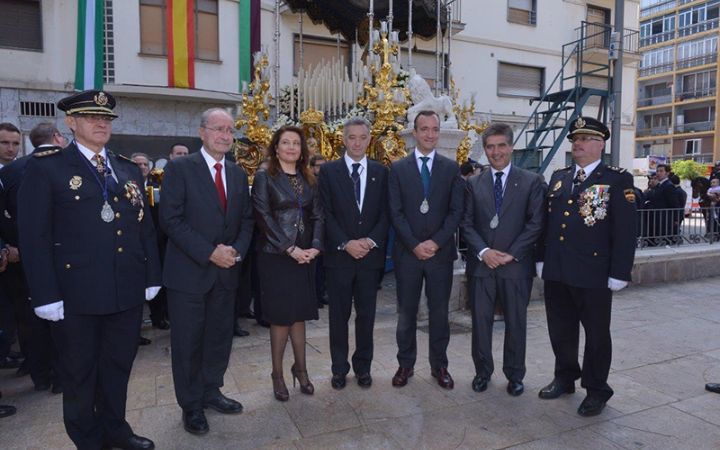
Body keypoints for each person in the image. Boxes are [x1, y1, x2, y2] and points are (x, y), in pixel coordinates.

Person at [17, 90, 161, 449]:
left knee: (118, 367)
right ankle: (88, 439)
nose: (101, 124)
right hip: (75, 294)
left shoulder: (126, 167)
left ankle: (116, 429)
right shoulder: (47, 166)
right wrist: (45, 295)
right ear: (71, 122)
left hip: (125, 289)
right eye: (92, 118)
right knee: (79, 373)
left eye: (107, 118)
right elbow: (34, 236)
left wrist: (152, 276)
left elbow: (143, 227)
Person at [160, 108, 254, 435]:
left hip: (226, 274)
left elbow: (246, 221)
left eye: (230, 130)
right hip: (189, 274)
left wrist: (236, 251)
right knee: (188, 343)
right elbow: (171, 220)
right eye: (218, 129)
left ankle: (212, 390)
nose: (225, 135)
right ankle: (191, 405)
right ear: (202, 132)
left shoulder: (239, 174)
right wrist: (210, 252)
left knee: (218, 339)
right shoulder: (179, 168)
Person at [537, 116, 636, 417]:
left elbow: (626, 230)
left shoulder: (617, 179)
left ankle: (597, 389)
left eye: (584, 138)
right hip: (557, 269)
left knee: (596, 335)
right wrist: (541, 258)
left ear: (600, 143)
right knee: (561, 329)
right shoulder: (560, 176)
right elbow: (547, 223)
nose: (577, 144)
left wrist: (620, 272)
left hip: (593, 273)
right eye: (575, 139)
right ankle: (565, 376)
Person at [460, 123, 545, 396]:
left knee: (516, 323)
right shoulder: (473, 184)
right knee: (480, 323)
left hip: (516, 266)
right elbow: (466, 224)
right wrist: (485, 252)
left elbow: (536, 223)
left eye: (501, 146)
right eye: (490, 147)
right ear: (485, 150)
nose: (496, 152)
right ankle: (482, 372)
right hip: (482, 266)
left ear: (511, 147)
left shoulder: (532, 181)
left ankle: (515, 375)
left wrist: (512, 253)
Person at [387, 110, 465, 389]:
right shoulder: (398, 169)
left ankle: (439, 366)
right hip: (408, 254)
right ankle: (405, 365)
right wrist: (414, 244)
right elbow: (395, 213)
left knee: (439, 313)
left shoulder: (450, 168)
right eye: (424, 129)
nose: (430, 134)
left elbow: (456, 211)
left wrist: (435, 242)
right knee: (406, 313)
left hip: (439, 255)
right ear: (415, 132)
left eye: (434, 129)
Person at [252, 125, 323, 402]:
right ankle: (277, 374)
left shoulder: (309, 178)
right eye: (286, 142)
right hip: (276, 256)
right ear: (276, 147)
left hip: (305, 255)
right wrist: (290, 248)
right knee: (282, 316)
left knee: (300, 314)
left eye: (296, 143)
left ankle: (301, 369)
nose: (291, 147)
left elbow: (318, 216)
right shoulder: (264, 177)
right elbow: (263, 218)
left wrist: (315, 247)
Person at [318, 117, 389, 390]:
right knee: (338, 316)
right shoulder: (329, 172)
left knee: (366, 316)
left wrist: (369, 241)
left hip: (370, 260)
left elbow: (386, 213)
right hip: (339, 259)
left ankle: (363, 368)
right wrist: (346, 243)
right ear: (343, 140)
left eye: (362, 137)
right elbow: (326, 213)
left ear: (369, 139)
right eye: (352, 137)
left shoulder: (381, 172)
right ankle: (339, 369)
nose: (357, 142)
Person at [0, 122, 67, 393]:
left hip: (21, 255)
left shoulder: (12, 171)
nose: (11, 149)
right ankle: (58, 375)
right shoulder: (60, 165)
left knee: (31, 317)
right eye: (6, 143)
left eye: (15, 143)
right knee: (57, 317)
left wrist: (11, 245)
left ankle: (40, 373)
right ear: (57, 137)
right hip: (52, 253)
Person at [309, 154, 329, 308]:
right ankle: (314, 296)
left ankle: (322, 293)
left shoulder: (329, 182)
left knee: (323, 266)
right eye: (317, 166)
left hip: (327, 228)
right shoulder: (310, 183)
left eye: (323, 166)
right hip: (313, 229)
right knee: (314, 267)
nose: (320, 169)